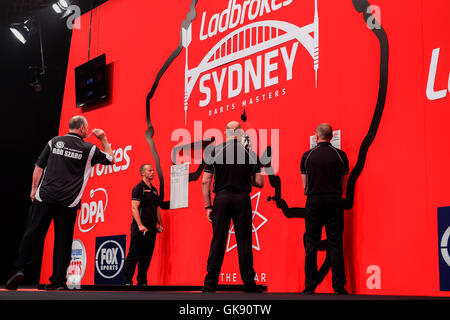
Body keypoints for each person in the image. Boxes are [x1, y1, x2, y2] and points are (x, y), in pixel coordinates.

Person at [5, 115, 114, 290]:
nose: (87, 129)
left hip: (45, 196)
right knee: (63, 241)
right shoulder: (89, 149)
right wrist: (103, 139)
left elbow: (39, 167)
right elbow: (111, 159)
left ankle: (18, 270)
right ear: (81, 129)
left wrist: (34, 189)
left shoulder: (54, 142)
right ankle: (58, 281)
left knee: (32, 234)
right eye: (86, 127)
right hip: (68, 201)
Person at [201, 120, 264, 293]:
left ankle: (209, 285)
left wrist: (208, 206)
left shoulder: (214, 151)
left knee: (218, 241)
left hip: (221, 199)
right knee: (244, 242)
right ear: (241, 133)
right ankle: (249, 284)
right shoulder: (250, 154)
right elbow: (260, 182)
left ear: (226, 132)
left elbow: (206, 181)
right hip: (242, 199)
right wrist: (247, 175)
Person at [300, 123, 349, 295]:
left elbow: (304, 185)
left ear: (316, 136)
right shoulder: (340, 155)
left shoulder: (307, 155)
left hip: (313, 200)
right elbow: (343, 183)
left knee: (311, 243)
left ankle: (309, 287)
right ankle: (339, 287)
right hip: (333, 200)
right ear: (331, 136)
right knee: (335, 242)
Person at [122, 164, 163, 286]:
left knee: (146, 256)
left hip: (151, 228)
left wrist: (160, 224)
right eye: (150, 170)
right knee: (134, 254)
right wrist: (140, 225)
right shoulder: (138, 188)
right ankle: (127, 281)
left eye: (153, 170)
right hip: (139, 228)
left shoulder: (155, 190)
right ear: (143, 173)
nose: (153, 172)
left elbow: (156, 209)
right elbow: (134, 208)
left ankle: (142, 281)